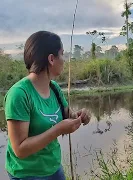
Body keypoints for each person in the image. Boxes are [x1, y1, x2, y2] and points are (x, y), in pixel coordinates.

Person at [4, 31, 91, 180]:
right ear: (51, 59)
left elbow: (66, 115)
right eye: (62, 54)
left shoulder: (54, 88)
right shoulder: (19, 94)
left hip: (54, 168)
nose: (64, 60)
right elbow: (20, 149)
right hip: (27, 174)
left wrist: (79, 116)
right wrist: (58, 130)